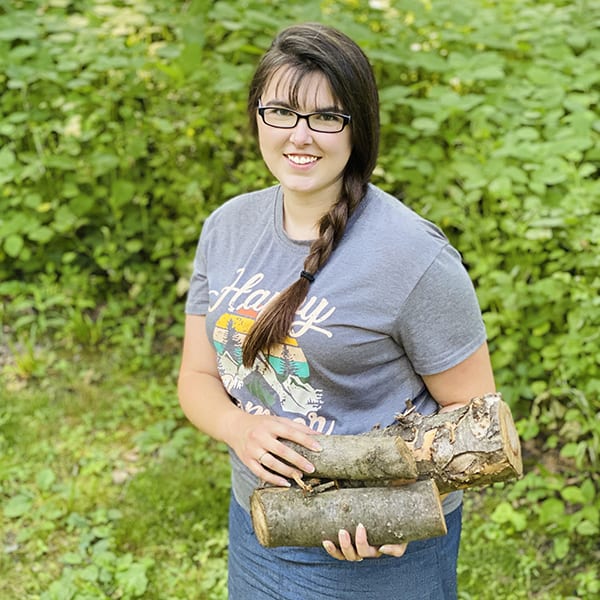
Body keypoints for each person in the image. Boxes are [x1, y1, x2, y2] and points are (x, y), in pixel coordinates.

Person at [178, 22, 495, 600]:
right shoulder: (226, 228)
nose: (301, 136)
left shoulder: (412, 255)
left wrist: (396, 511)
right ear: (257, 117)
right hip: (259, 524)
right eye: (281, 111)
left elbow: (476, 419)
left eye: (327, 117)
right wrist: (238, 427)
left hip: (379, 556)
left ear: (359, 129)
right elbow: (197, 377)